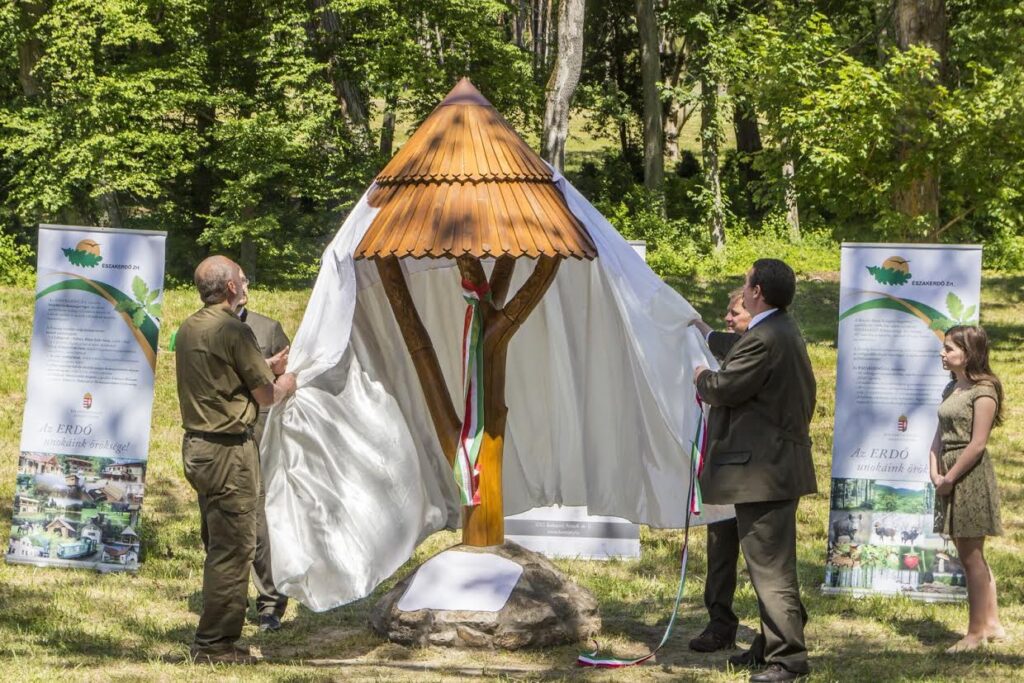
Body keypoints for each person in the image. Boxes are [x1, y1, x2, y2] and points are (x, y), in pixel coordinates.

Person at [693, 259, 816, 683]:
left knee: (770, 568)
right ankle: (769, 646)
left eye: (746, 284)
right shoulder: (780, 330)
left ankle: (788, 659)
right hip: (774, 468)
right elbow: (740, 350)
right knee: (767, 563)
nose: (742, 291)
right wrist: (703, 332)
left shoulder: (765, 337)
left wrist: (701, 377)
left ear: (757, 291)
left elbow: (727, 388)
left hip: (765, 473)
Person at [176, 255, 296, 664]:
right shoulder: (235, 328)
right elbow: (266, 397)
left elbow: (222, 377)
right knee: (234, 548)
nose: (245, 287)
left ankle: (217, 637)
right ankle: (215, 646)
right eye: (241, 282)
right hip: (229, 451)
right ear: (230, 288)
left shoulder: (190, 327)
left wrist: (264, 366)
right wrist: (286, 380)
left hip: (198, 447)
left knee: (218, 543)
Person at [930, 325, 1004, 653]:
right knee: (969, 553)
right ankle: (991, 623)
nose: (943, 353)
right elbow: (939, 432)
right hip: (948, 471)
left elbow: (977, 444)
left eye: (949, 348)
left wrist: (950, 477)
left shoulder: (984, 390)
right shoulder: (952, 388)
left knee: (971, 556)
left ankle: (975, 634)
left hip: (969, 476)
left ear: (968, 352)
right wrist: (934, 467)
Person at [688, 289, 752, 653]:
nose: (729, 318)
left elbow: (721, 388)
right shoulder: (732, 347)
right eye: (727, 312)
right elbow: (713, 336)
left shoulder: (760, 351)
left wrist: (702, 377)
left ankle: (778, 631)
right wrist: (692, 321)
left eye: (736, 312)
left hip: (755, 476)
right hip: (723, 471)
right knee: (720, 552)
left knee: (764, 560)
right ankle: (719, 624)